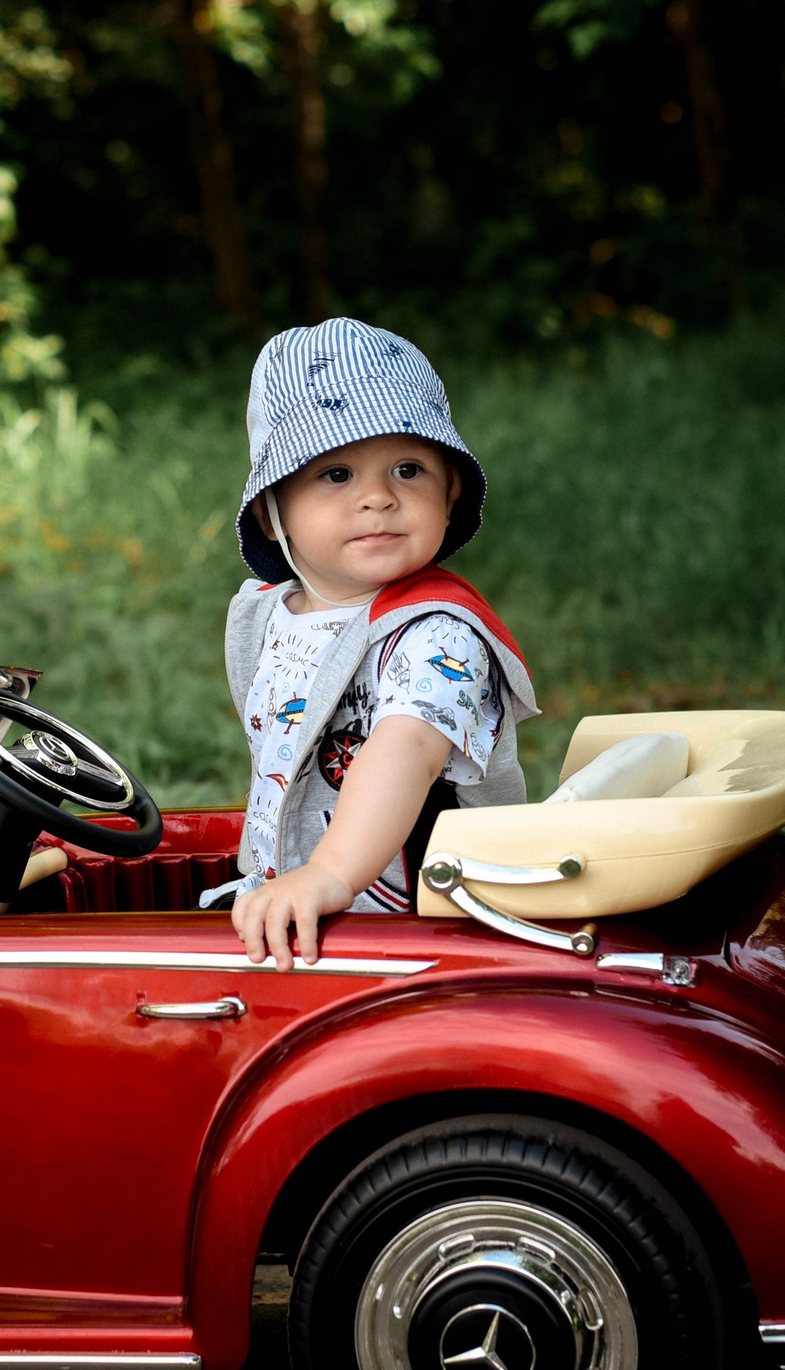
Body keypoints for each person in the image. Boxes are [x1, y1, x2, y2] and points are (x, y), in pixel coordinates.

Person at [207, 318, 539, 968]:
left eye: (407, 468)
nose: (378, 498)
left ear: (449, 492)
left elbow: (407, 748)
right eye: (336, 474)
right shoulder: (267, 616)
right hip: (301, 915)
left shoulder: (437, 633)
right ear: (272, 510)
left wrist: (329, 872)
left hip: (422, 936)